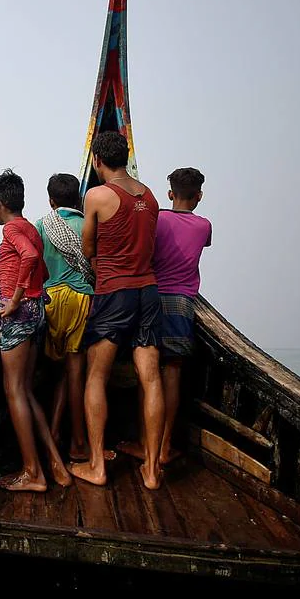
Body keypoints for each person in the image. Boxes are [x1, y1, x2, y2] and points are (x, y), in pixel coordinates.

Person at [68, 130, 165, 491]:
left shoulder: (96, 195)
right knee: (151, 378)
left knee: (96, 376)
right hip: (148, 291)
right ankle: (152, 472)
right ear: (126, 156)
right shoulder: (151, 196)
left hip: (114, 294)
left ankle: (96, 465)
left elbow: (88, 247)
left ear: (97, 161)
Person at [116, 167, 211, 468]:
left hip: (151, 296)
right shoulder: (204, 226)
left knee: (148, 375)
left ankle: (146, 443)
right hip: (182, 303)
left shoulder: (158, 220)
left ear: (170, 194)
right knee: (171, 373)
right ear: (199, 196)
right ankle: (164, 447)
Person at [0, 168, 72, 492]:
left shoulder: (12, 229)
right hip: (36, 313)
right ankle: (55, 465)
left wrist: (14, 301)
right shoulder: (31, 227)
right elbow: (45, 267)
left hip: (20, 313)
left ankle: (32, 473)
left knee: (14, 391)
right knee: (25, 390)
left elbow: (31, 256)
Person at [34, 172, 98, 464]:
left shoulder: (40, 226)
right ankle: (77, 442)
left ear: (50, 200)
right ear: (78, 200)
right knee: (76, 372)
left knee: (57, 371)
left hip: (50, 299)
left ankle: (54, 433)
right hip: (80, 298)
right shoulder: (87, 223)